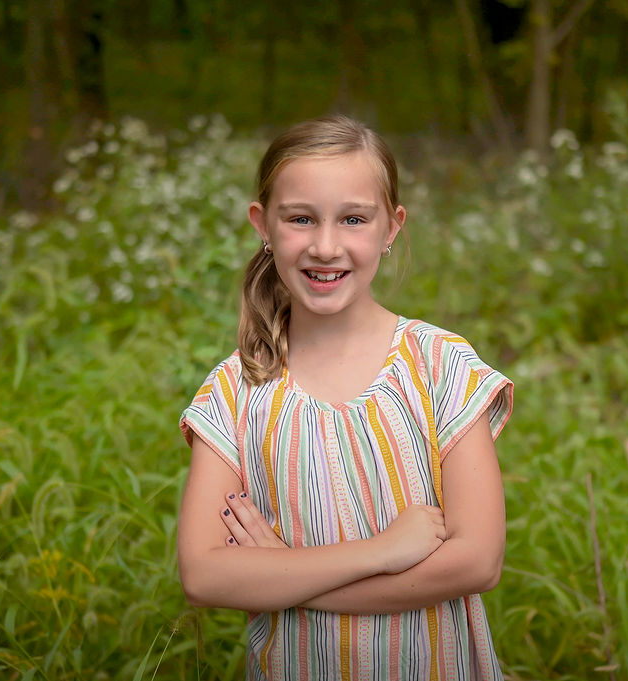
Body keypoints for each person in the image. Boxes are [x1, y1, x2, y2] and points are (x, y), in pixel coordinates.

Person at [177, 115, 514, 680]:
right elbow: (203, 576)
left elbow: (478, 561)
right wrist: (382, 551)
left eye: (353, 219)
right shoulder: (236, 390)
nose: (326, 246)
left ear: (391, 228)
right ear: (264, 224)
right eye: (301, 219)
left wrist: (284, 578)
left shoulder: (439, 366)